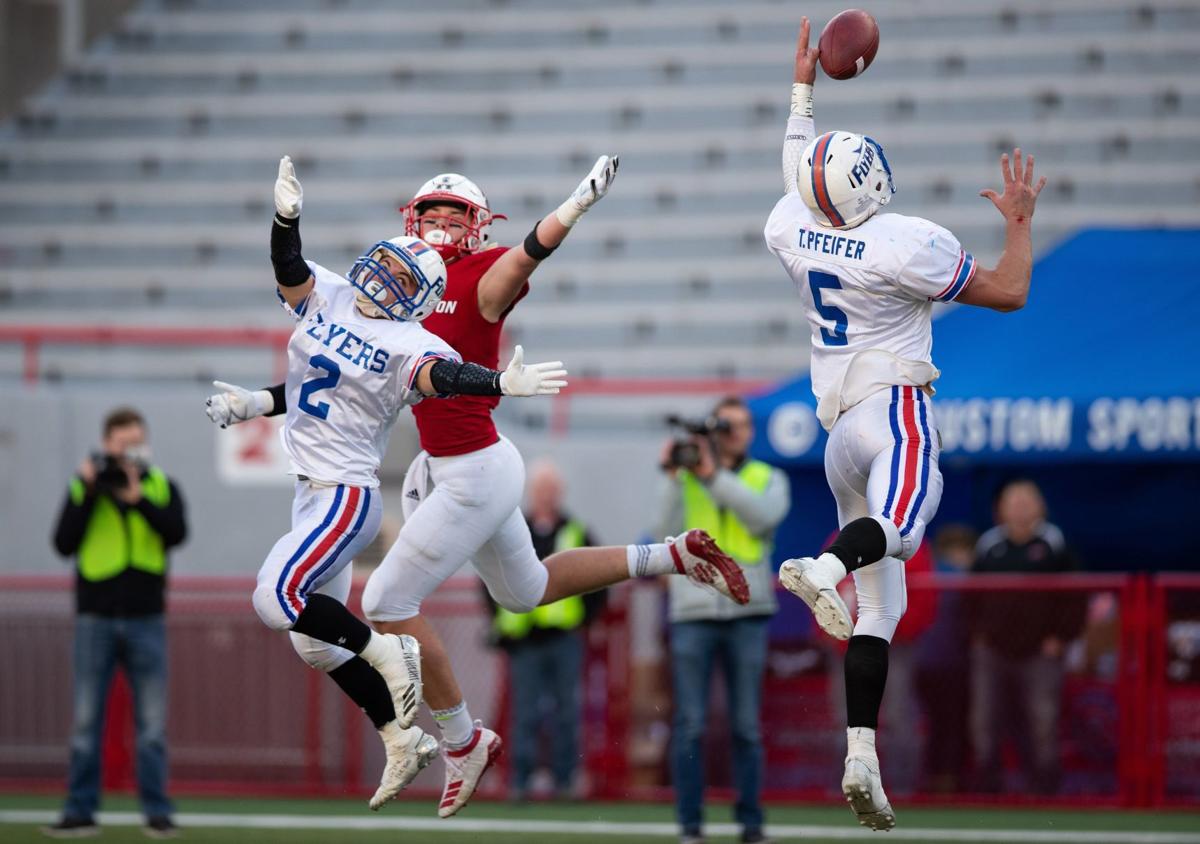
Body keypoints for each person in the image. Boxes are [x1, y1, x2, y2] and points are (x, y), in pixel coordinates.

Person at [206, 158, 751, 818]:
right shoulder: (380, 288)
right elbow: (325, 350)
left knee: (383, 598)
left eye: (451, 214)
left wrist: (570, 211)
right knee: (527, 591)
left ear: (475, 224)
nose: (438, 224)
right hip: (441, 466)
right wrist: (260, 399)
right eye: (429, 213)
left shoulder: (472, 278)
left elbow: (519, 264)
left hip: (474, 469)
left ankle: (462, 739)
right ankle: (672, 556)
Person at [204, 155, 568, 811]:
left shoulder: (408, 341)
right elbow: (292, 276)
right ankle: (401, 737)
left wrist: (498, 384)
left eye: (399, 277)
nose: (381, 276)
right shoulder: (338, 295)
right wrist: (286, 219)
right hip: (309, 489)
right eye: (384, 263)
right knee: (313, 641)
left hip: (344, 495)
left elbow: (443, 380)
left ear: (419, 299)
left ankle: (386, 653)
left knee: (273, 597)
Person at [762, 17, 1048, 831]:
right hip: (893, 411)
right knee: (906, 532)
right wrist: (1020, 219)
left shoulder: (790, 226)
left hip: (837, 433)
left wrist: (803, 89)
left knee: (880, 612)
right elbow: (1010, 291)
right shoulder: (903, 244)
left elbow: (795, 170)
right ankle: (823, 567)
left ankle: (861, 755)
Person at [45, 407, 188, 839]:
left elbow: (176, 533)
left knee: (152, 727)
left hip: (146, 618)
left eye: (136, 444)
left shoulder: (160, 485)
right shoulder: (84, 487)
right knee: (86, 724)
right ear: (107, 444)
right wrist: (89, 491)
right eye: (122, 445)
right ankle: (80, 811)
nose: (129, 453)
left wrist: (138, 499)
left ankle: (156, 812)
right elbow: (63, 542)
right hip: (96, 619)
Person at [657, 396, 790, 844]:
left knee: (746, 727)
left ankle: (751, 824)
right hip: (693, 611)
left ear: (750, 432)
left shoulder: (768, 477)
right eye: (725, 426)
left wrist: (712, 476)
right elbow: (660, 532)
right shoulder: (690, 478)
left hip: (747, 612)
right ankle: (690, 826)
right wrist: (674, 476)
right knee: (691, 724)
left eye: (739, 425)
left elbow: (763, 519)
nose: (733, 433)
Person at [485, 459, 603, 802]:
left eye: (551, 489)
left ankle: (565, 780)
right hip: (524, 640)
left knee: (568, 710)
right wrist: (499, 621)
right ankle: (520, 781)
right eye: (541, 489)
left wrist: (585, 620)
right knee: (525, 712)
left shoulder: (576, 530)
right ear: (532, 492)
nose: (546, 495)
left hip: (564, 637)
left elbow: (599, 578)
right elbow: (489, 575)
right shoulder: (512, 527)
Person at [968, 479, 1083, 794]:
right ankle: (987, 788)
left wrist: (1061, 637)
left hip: (1040, 651)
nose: (1019, 507)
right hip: (993, 650)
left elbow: (1075, 597)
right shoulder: (989, 545)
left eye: (1026, 500)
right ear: (1000, 508)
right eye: (1013, 500)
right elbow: (969, 597)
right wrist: (977, 635)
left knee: (1043, 720)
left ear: (1040, 506)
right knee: (984, 720)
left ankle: (1045, 788)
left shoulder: (1054, 543)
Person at [914, 524, 977, 793]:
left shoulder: (930, 572)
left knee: (940, 724)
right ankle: (945, 780)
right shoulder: (960, 578)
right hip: (945, 663)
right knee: (949, 724)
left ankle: (937, 778)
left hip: (928, 663)